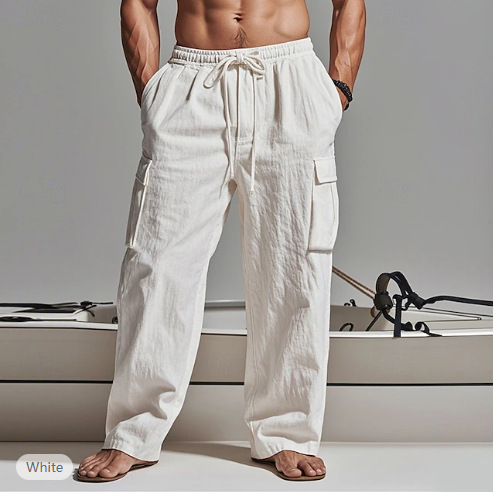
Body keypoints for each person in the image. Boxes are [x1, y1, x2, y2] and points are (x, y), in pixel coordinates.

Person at [77, 0, 365, 482]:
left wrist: (338, 90)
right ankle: (134, 433)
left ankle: (286, 432)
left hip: (290, 81)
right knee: (156, 266)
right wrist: (152, 93)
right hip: (192, 84)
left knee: (294, 268)